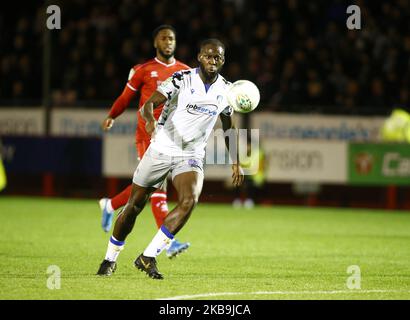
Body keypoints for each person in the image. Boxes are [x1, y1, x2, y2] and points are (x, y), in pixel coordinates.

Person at [97, 39, 244, 279]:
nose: (212, 61)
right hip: (162, 148)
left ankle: (148, 256)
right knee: (134, 205)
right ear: (200, 57)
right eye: (208, 56)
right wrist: (150, 119)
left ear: (223, 60)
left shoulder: (227, 92)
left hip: (191, 155)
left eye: (217, 57)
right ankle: (110, 258)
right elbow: (149, 104)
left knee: (190, 200)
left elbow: (229, 129)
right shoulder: (181, 79)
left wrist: (236, 160)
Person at [99, 25, 191, 258]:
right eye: (163, 38)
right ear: (155, 43)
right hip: (147, 135)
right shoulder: (143, 70)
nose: (168, 42)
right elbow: (125, 97)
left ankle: (110, 205)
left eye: (171, 38)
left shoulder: (186, 71)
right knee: (157, 186)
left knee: (146, 188)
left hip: (173, 136)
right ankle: (169, 243)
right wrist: (111, 115)